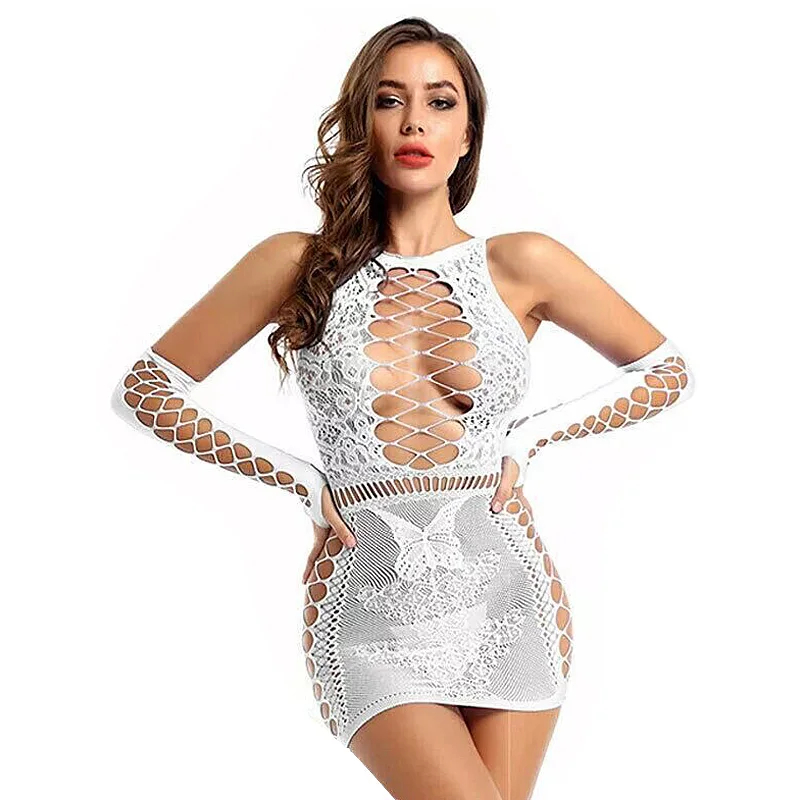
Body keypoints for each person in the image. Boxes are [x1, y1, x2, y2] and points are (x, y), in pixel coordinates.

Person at [110, 17, 695, 800]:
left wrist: (529, 439)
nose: (415, 121)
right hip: (367, 605)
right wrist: (301, 481)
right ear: (363, 124)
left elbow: (665, 372)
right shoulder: (297, 264)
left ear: (468, 134)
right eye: (390, 101)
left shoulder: (522, 262)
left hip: (509, 596)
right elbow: (146, 391)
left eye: (440, 102)